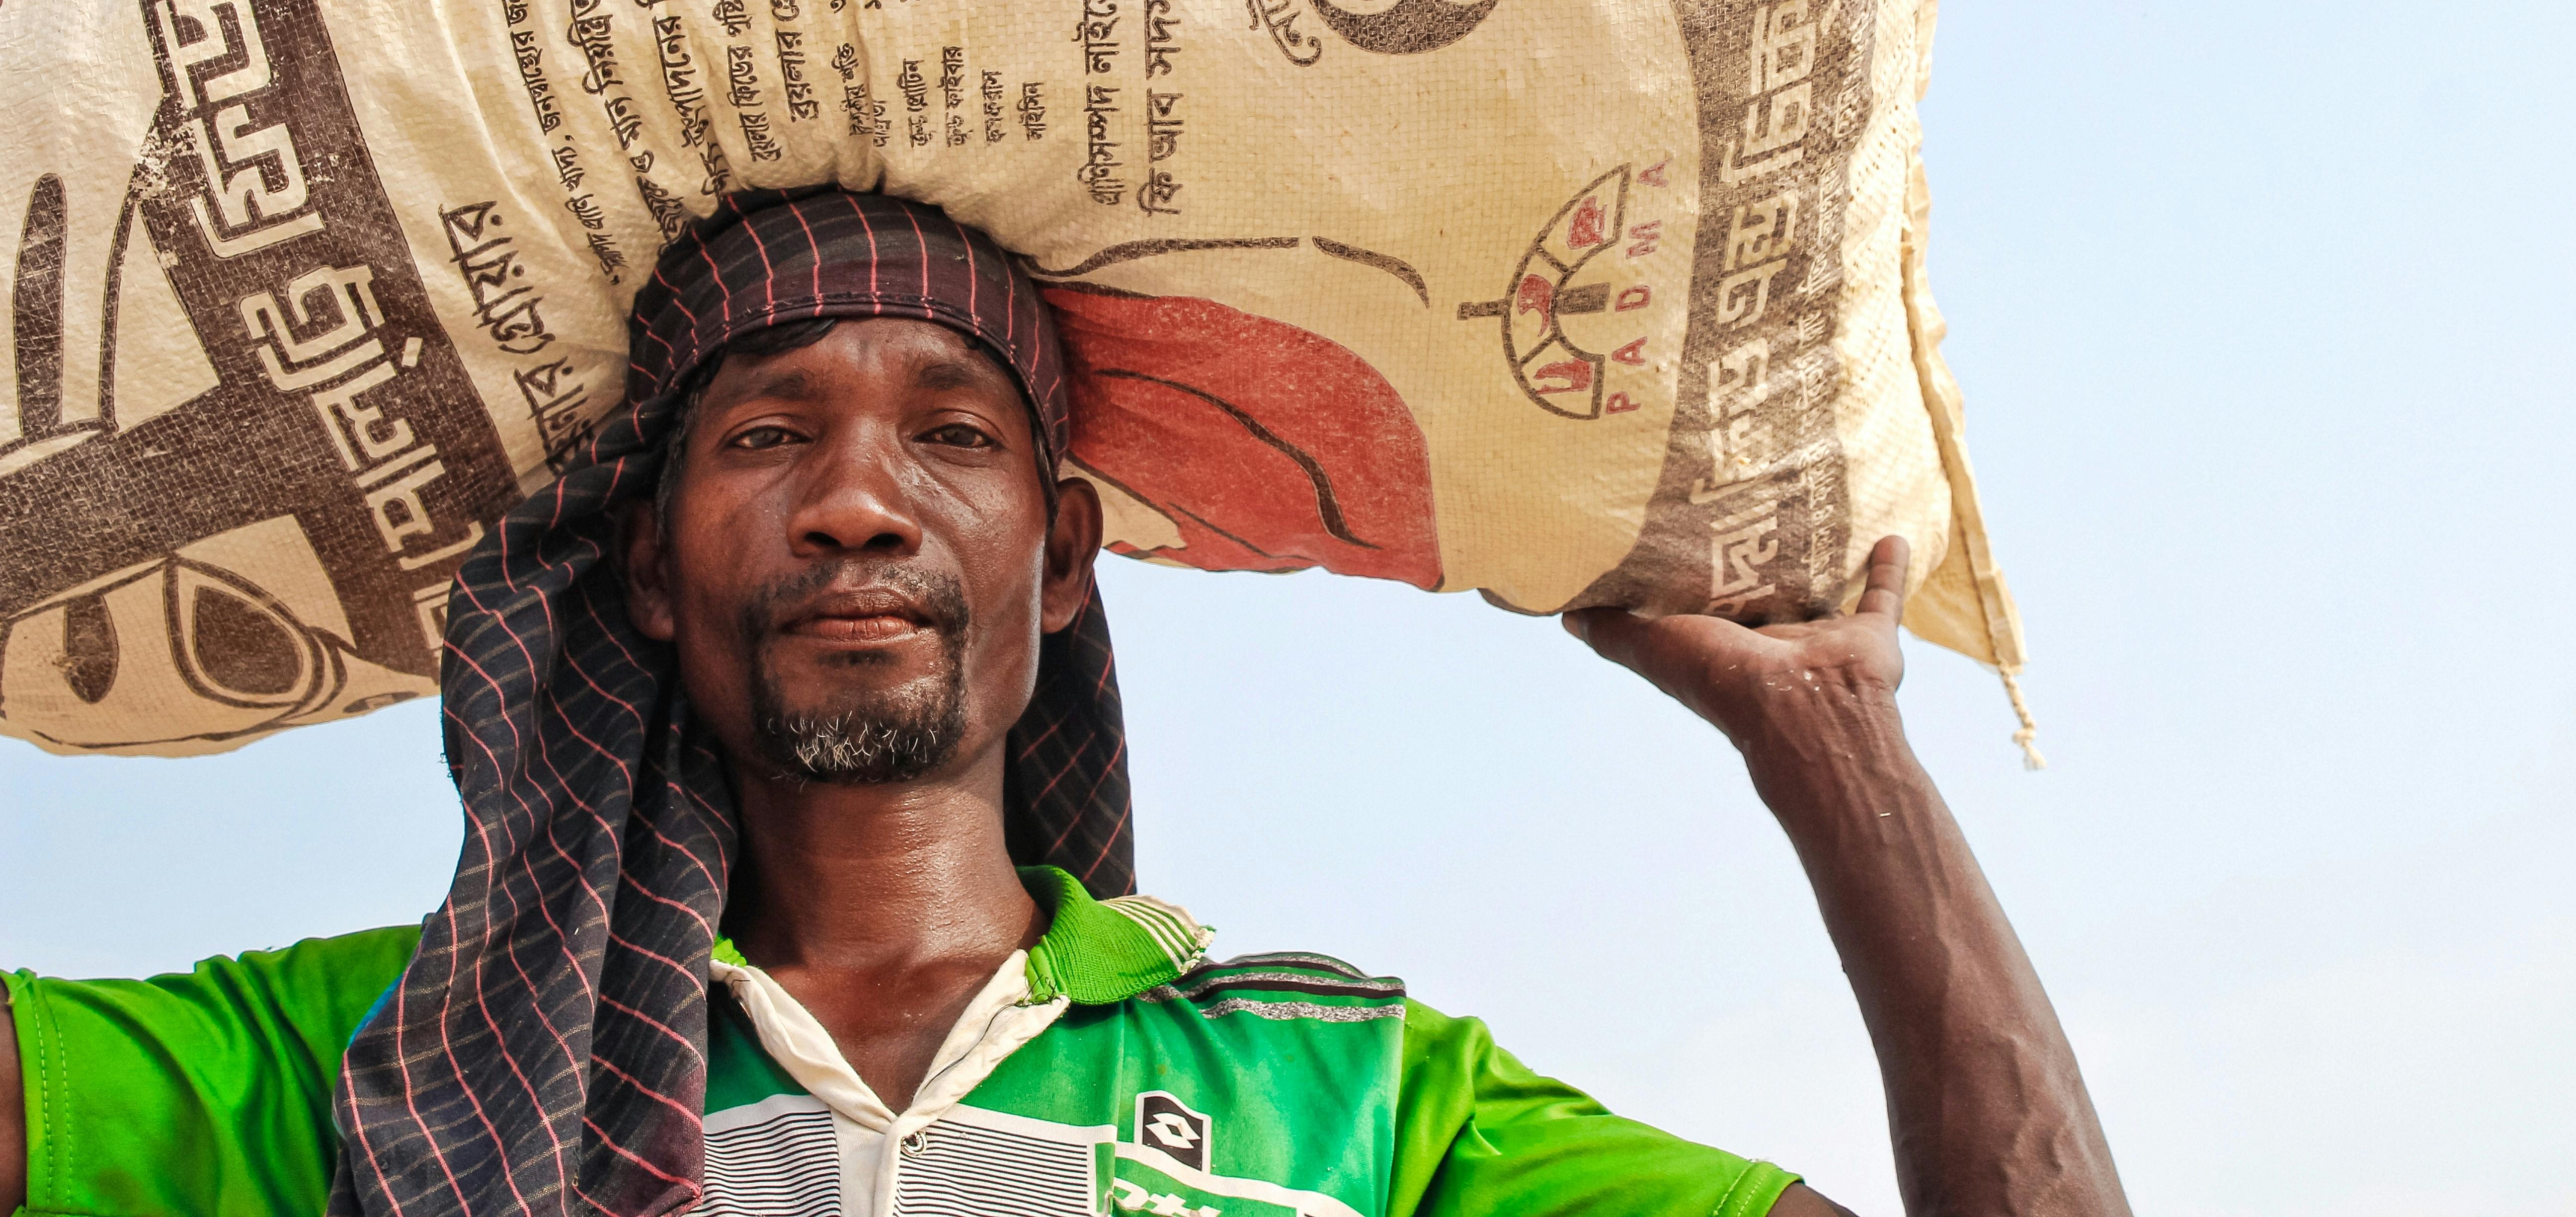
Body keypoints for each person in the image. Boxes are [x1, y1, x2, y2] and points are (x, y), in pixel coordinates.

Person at [0, 190, 2129, 1217]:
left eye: (951, 436)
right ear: (644, 571)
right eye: (762, 440)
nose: (856, 502)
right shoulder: (391, 1062)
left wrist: (1840, 754)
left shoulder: (1361, 1098)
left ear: (1066, 554)